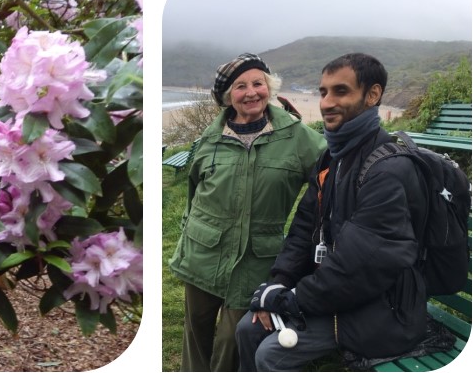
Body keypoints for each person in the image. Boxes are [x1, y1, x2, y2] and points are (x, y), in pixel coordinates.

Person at [234, 53, 428, 371]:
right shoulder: (333, 158)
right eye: (323, 92)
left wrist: (292, 300)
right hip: (336, 293)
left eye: (341, 91)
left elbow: (361, 266)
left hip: (383, 308)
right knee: (246, 329)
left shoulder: (387, 170)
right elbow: (303, 228)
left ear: (373, 95)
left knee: (269, 355)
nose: (326, 103)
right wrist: (279, 282)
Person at [168, 54, 324, 371]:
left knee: (231, 339)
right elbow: (194, 193)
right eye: (241, 86)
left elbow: (333, 173)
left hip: (256, 259)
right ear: (229, 97)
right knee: (195, 332)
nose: (251, 92)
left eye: (258, 83)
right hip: (203, 251)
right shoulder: (209, 139)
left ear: (269, 87)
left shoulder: (298, 138)